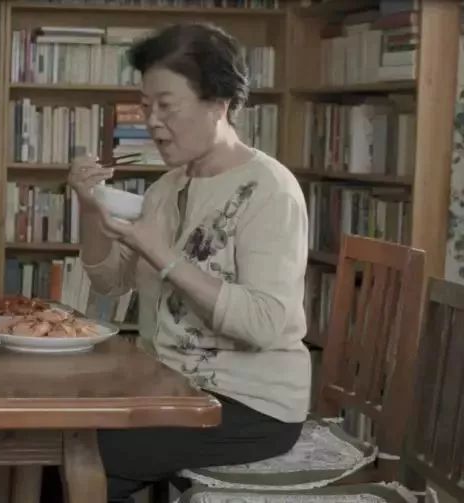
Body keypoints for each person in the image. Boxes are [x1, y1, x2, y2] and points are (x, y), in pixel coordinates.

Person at [62, 23, 311, 502]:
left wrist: (164, 254)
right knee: (58, 433)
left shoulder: (270, 190)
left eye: (166, 105)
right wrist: (90, 207)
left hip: (249, 406)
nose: (152, 121)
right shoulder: (167, 188)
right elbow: (109, 281)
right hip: (169, 388)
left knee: (78, 458)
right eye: (146, 106)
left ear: (219, 103)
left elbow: (262, 325)